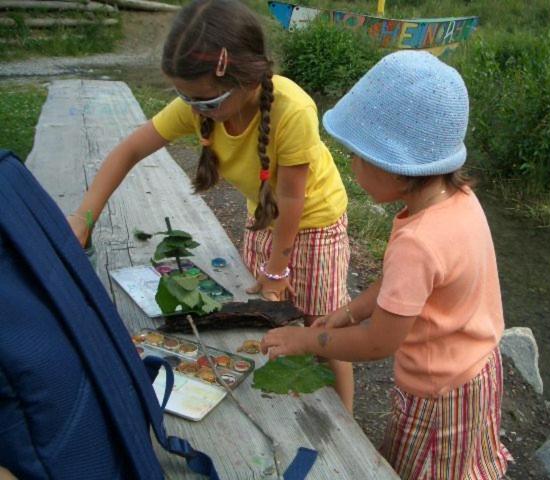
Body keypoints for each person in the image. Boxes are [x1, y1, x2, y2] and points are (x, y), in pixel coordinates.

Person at [67, 0, 353, 411]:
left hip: (314, 224)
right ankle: (291, 407)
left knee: (323, 329)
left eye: (202, 100)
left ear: (246, 78)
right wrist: (83, 217)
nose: (193, 107)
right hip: (264, 220)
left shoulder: (294, 109)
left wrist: (277, 270)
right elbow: (129, 150)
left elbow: (293, 198)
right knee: (264, 319)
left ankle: (346, 421)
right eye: (184, 97)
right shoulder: (202, 103)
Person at [261, 51, 512, 479]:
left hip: (438, 395)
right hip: (476, 370)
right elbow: (399, 287)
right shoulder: (456, 201)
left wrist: (308, 340)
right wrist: (346, 312)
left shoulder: (418, 242)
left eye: (358, 157)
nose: (351, 165)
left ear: (398, 169)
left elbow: (379, 343)